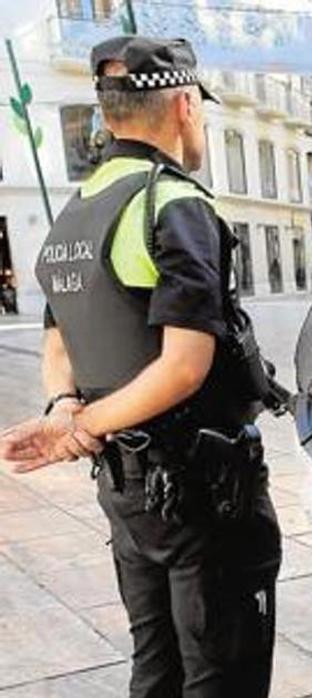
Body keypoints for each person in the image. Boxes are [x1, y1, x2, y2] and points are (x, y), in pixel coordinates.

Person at [0, 36, 283, 696]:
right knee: (222, 669)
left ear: (106, 115)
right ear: (185, 104)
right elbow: (185, 366)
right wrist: (79, 427)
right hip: (203, 489)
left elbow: (58, 340)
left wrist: (64, 410)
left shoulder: (77, 210)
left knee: (157, 663)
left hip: (129, 490)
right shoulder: (172, 203)